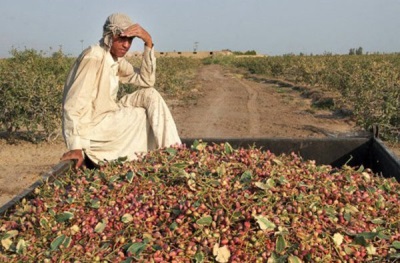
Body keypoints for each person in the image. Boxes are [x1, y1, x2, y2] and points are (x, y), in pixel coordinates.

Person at [60, 13, 181, 168]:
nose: (126, 45)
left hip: (108, 116)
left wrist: (148, 42)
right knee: (141, 115)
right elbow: (73, 104)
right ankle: (172, 156)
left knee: (150, 94)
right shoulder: (94, 56)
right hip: (93, 128)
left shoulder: (116, 60)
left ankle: (174, 152)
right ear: (109, 37)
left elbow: (146, 81)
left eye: (130, 40)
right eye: (121, 39)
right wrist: (75, 146)